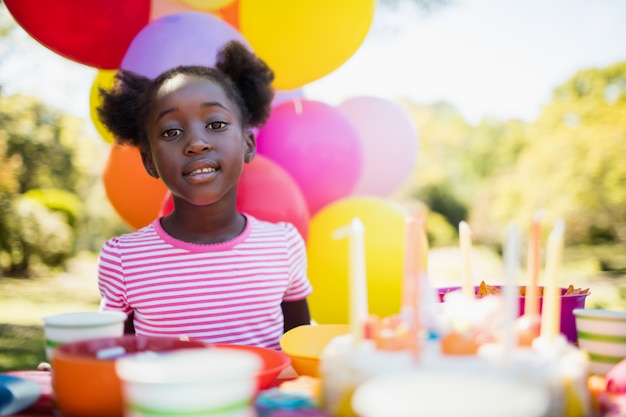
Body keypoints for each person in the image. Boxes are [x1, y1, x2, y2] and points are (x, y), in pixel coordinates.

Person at [96, 41, 312, 350]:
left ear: (248, 145)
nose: (196, 142)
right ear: (149, 161)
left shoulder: (284, 245)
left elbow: (300, 353)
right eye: (171, 132)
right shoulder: (123, 259)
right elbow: (113, 358)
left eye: (216, 124)